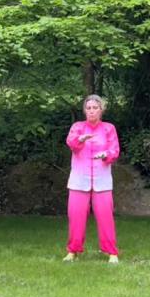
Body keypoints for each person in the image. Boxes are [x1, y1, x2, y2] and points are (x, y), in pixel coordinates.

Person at [63, 94, 121, 264]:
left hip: (102, 181)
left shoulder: (109, 128)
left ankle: (112, 252)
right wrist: (80, 139)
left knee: (105, 217)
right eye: (88, 108)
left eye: (95, 108)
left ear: (101, 110)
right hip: (79, 180)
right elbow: (71, 143)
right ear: (84, 110)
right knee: (75, 217)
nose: (92, 111)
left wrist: (105, 155)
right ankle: (72, 251)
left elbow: (115, 150)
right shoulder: (77, 127)